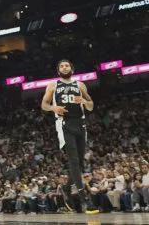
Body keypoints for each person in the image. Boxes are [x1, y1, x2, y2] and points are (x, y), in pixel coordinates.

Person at [40, 59, 99, 215]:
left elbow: (91, 106)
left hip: (80, 124)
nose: (64, 67)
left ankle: (67, 188)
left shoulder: (80, 85)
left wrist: (84, 101)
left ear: (72, 69)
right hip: (64, 124)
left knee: (79, 163)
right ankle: (85, 199)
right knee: (74, 161)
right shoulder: (53, 85)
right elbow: (44, 105)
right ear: (58, 70)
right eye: (62, 66)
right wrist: (53, 108)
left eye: (67, 65)